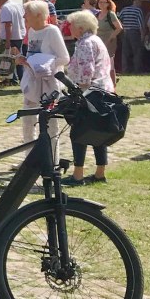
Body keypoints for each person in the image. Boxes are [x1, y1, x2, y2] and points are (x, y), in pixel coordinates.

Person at [62, 11, 113, 185]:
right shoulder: (96, 40)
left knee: (79, 133)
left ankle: (78, 175)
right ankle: (100, 173)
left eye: (72, 25)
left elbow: (86, 73)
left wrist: (76, 93)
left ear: (81, 27)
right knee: (99, 132)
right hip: (102, 91)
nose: (70, 28)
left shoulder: (85, 43)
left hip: (89, 93)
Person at [17, 0, 69, 153]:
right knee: (28, 121)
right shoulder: (31, 31)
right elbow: (32, 54)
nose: (24, 18)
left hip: (49, 84)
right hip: (32, 82)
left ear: (38, 15)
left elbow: (64, 58)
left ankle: (53, 160)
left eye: (27, 15)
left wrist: (45, 65)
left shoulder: (52, 31)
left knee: (50, 123)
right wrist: (24, 60)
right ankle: (30, 159)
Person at [0, 0, 26, 83]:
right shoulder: (18, 5)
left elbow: (8, 25)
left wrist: (8, 41)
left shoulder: (5, 8)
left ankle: (12, 79)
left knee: (9, 58)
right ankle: (22, 78)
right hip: (19, 35)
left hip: (10, 37)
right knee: (19, 58)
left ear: (2, 0)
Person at [116, 0, 146, 74]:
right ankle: (137, 70)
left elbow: (118, 19)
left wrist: (122, 28)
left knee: (125, 52)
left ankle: (125, 70)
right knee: (136, 51)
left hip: (125, 32)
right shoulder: (138, 10)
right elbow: (141, 23)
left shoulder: (124, 9)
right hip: (134, 32)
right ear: (137, 3)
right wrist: (142, 34)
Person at [95, 0, 122, 72]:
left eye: (104, 2)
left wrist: (110, 38)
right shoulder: (97, 15)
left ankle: (112, 81)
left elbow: (119, 28)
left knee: (109, 61)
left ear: (108, 4)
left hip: (109, 41)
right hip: (98, 42)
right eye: (100, 2)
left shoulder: (111, 14)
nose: (102, 4)